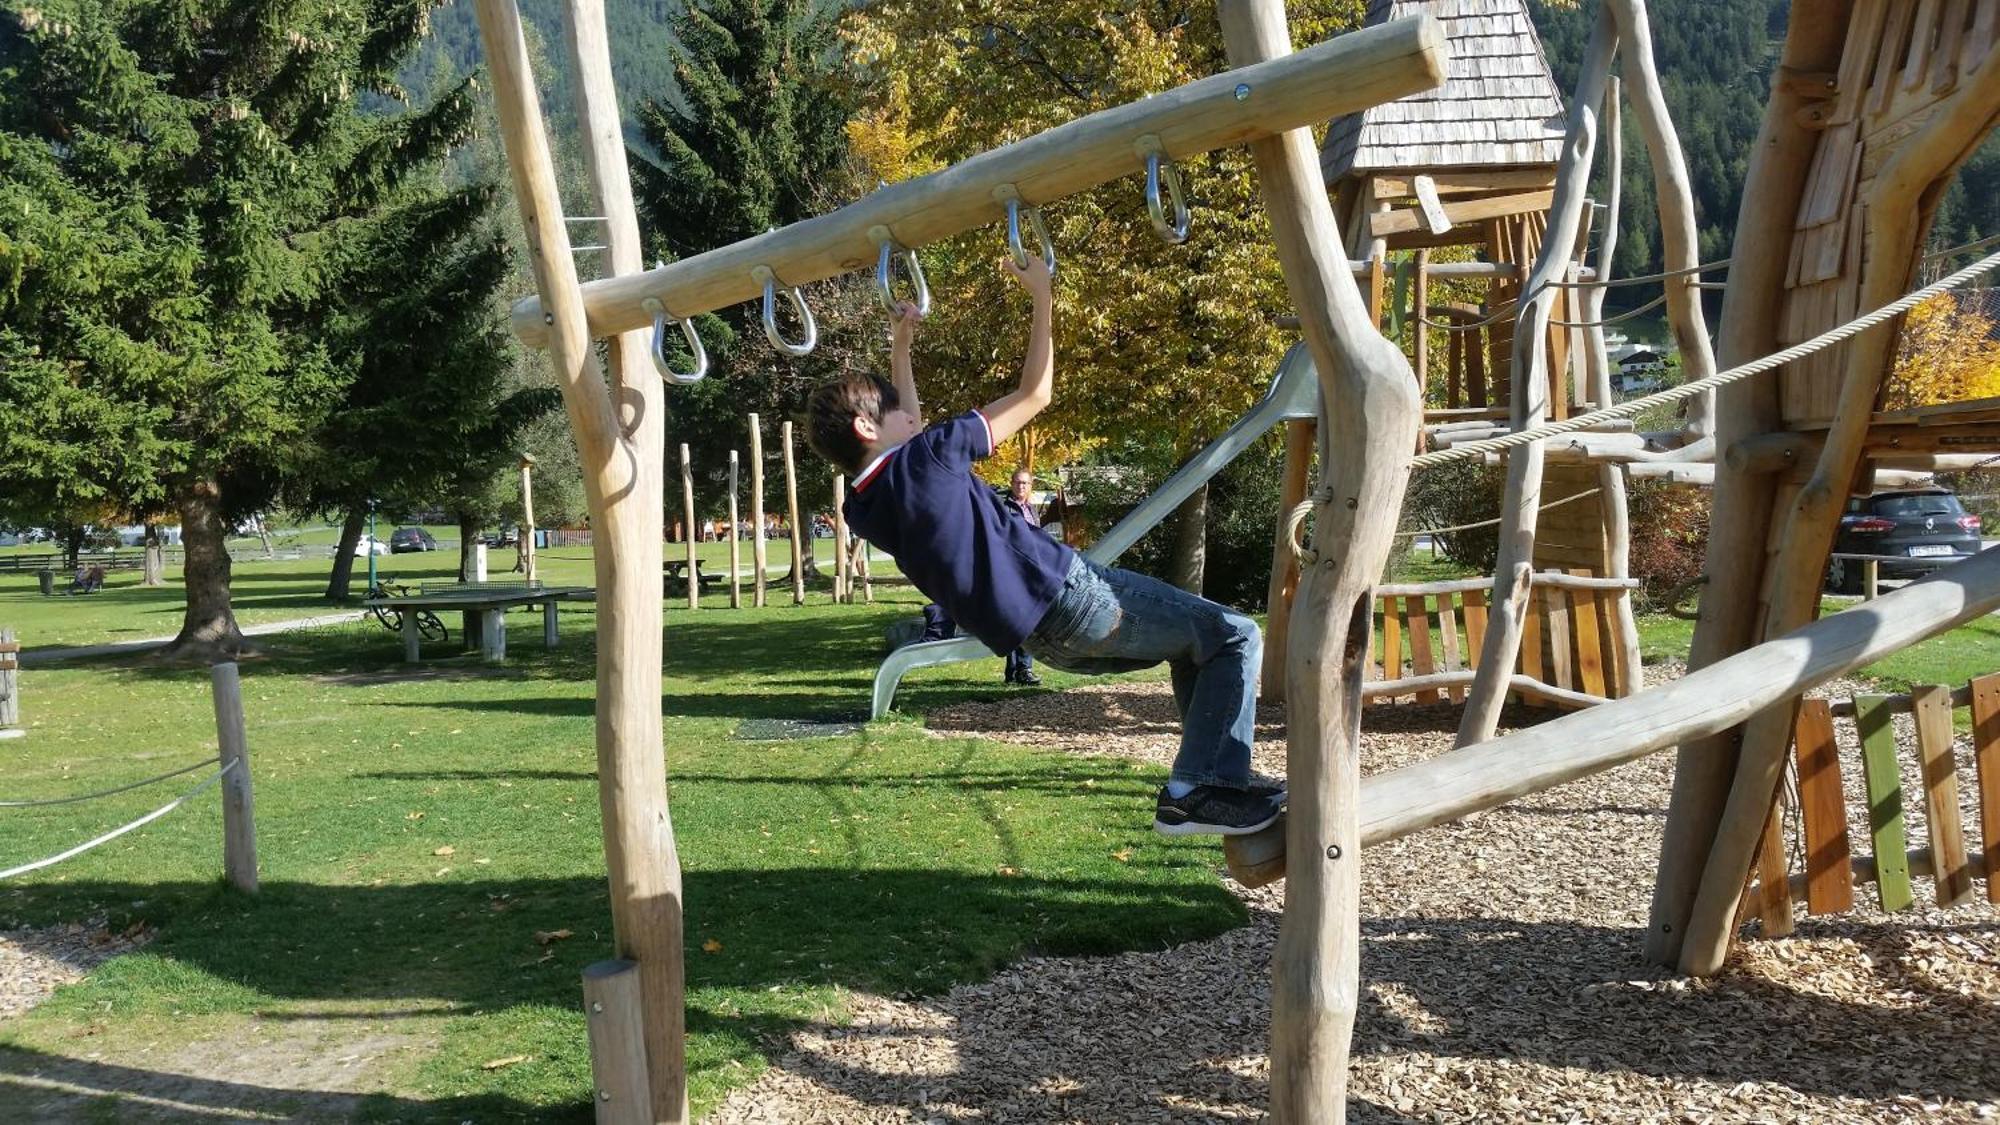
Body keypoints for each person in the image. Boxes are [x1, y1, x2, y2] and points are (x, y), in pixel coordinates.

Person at [806, 255, 1281, 837]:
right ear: (866, 428)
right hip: (1072, 596)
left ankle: (1211, 781)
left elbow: (909, 439)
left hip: (1043, 640)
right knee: (1235, 633)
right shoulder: (930, 457)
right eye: (897, 412)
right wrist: (1043, 297)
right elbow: (1036, 394)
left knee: (1198, 647)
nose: (913, 417)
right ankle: (1197, 793)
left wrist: (901, 350)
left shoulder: (864, 505)